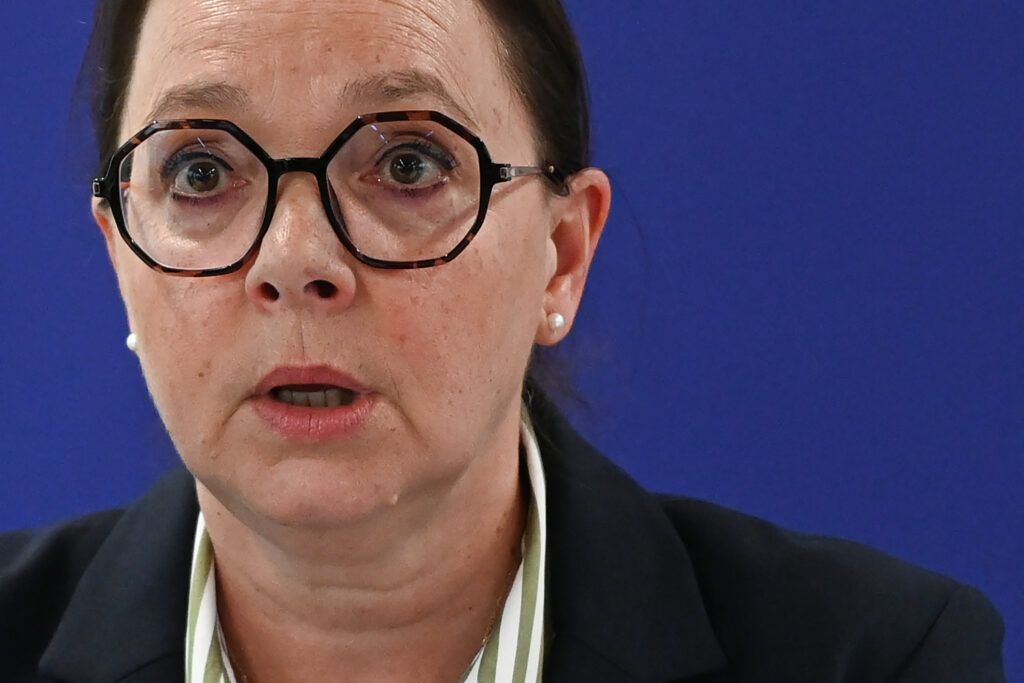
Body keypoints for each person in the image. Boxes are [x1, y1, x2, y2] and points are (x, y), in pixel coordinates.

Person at [0, 0, 1007, 681]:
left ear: (561, 257)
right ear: (119, 251)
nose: (295, 258)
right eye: (202, 173)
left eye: (407, 162)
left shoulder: (874, 657)